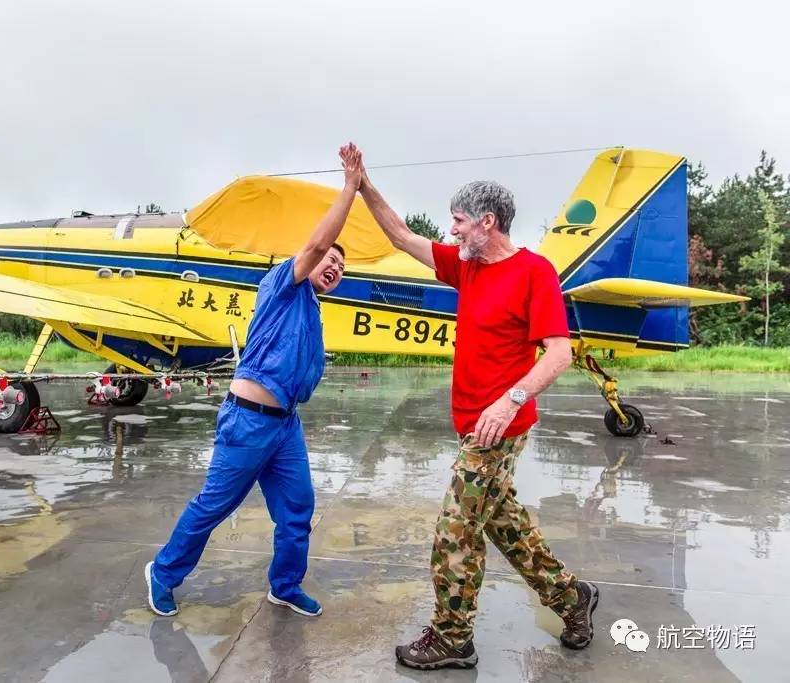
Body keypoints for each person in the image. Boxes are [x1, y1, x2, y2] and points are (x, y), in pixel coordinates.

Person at [358, 160, 599, 670]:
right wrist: (363, 185)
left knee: (455, 530)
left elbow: (560, 353)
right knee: (504, 525)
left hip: (500, 427)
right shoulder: (465, 264)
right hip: (471, 423)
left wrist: (511, 398)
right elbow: (402, 237)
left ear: (487, 221)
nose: (452, 229)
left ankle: (452, 637)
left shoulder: (534, 272)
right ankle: (570, 596)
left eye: (459, 220)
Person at [145, 143, 361, 618]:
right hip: (247, 422)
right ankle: (162, 572)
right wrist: (349, 187)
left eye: (343, 269)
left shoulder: (313, 311)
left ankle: (284, 585)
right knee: (213, 507)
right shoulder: (285, 284)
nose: (335, 268)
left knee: (297, 511)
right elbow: (317, 246)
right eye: (332, 261)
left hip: (285, 426)